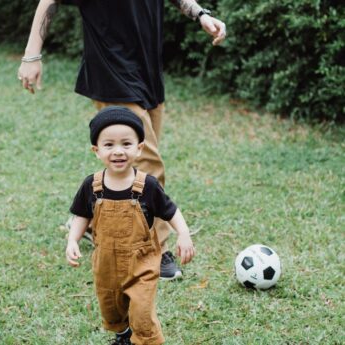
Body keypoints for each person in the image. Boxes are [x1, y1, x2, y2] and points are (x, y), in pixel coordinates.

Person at [18, 0, 225, 280]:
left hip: (147, 70)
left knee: (133, 165)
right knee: (149, 164)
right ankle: (154, 250)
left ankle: (94, 222)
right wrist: (32, 55)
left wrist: (200, 14)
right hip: (110, 69)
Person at [65, 106, 195, 345]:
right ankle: (124, 335)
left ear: (139, 148)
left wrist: (184, 233)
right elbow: (81, 214)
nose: (118, 151)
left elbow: (170, 211)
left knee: (142, 313)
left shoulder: (147, 185)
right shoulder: (91, 185)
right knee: (111, 309)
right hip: (105, 264)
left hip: (141, 264)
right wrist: (73, 239)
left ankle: (144, 340)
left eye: (126, 144)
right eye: (109, 145)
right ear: (96, 150)